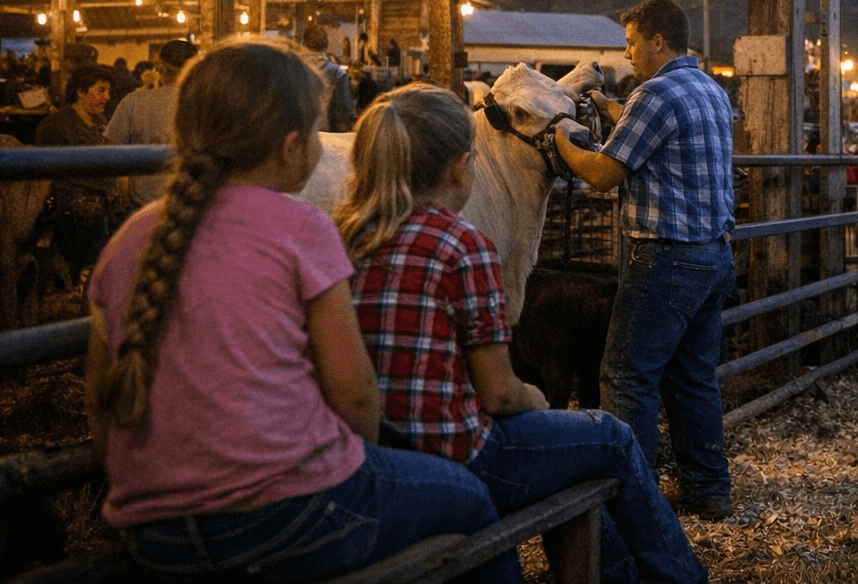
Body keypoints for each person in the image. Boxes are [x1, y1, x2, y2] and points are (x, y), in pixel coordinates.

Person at [83, 39, 516, 583]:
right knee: (472, 498)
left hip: (155, 536)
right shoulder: (301, 227)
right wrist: (355, 470)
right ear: (292, 146)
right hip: (290, 514)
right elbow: (355, 395)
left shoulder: (129, 238)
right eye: (315, 130)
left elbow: (100, 406)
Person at [343, 84, 708, 584]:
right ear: (459, 168)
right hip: (459, 450)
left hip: (384, 453)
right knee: (609, 436)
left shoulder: (342, 238)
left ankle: (617, 570)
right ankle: (679, 577)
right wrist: (539, 402)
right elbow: (498, 392)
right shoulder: (461, 244)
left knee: (569, 455)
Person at [553, 0, 736, 520]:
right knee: (694, 377)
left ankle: (633, 501)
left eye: (632, 42)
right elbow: (652, 134)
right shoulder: (709, 89)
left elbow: (604, 174)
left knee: (627, 374)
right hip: (713, 256)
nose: (627, 52)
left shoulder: (653, 95)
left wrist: (562, 140)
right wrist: (612, 107)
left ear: (657, 41)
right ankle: (709, 490)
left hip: (666, 257)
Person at [36, 62, 123, 289]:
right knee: (86, 271)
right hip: (75, 211)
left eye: (109, 92)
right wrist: (37, 210)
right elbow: (44, 173)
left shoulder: (102, 122)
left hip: (104, 208)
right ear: (81, 91)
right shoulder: (56, 125)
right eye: (101, 90)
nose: (106, 97)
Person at [105, 40, 198, 209]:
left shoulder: (133, 102)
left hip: (142, 204)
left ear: (160, 67)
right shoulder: (208, 105)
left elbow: (111, 151)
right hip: (191, 203)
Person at [303, 24, 356, 132]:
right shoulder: (337, 73)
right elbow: (346, 113)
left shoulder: (291, 68)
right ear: (326, 45)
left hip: (296, 138)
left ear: (303, 44)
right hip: (327, 137)